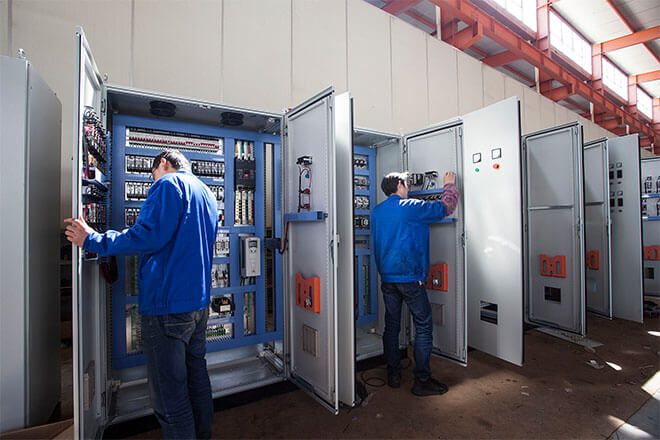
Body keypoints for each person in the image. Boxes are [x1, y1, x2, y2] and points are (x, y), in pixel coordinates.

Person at [65, 149, 217, 439]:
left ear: (163, 163)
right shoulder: (206, 192)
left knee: (170, 395)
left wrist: (93, 240)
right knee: (196, 377)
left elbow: (147, 236)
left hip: (166, 306)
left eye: (153, 176)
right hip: (198, 305)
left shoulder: (167, 184)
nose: (153, 182)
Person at [371, 170, 459, 396]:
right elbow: (445, 208)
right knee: (423, 326)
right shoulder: (411, 206)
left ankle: (394, 374)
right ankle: (422, 380)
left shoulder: (377, 212)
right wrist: (449, 185)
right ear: (399, 185)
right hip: (410, 278)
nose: (409, 188)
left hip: (388, 279)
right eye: (406, 184)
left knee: (392, 326)